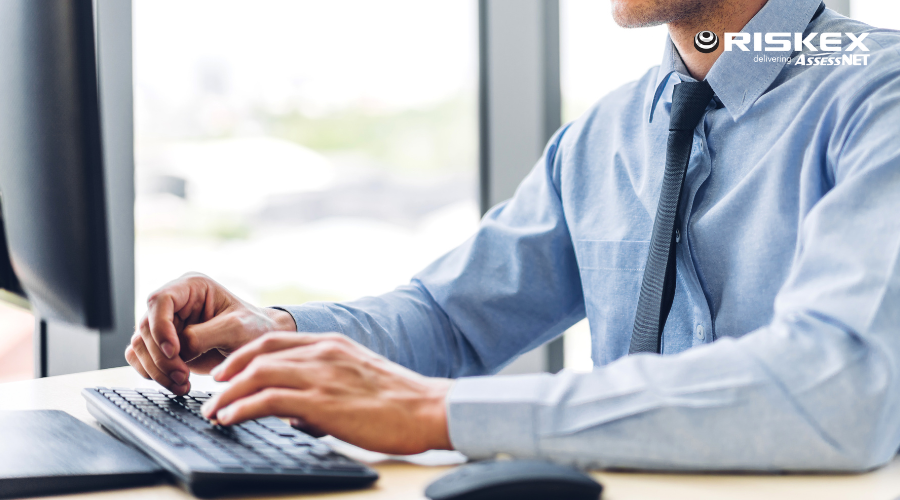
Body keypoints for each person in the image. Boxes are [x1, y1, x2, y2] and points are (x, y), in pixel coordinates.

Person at [126, 0, 900, 471]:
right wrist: (279, 333)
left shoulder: (879, 97)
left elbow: (842, 387)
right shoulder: (603, 136)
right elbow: (452, 317)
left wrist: (443, 412)